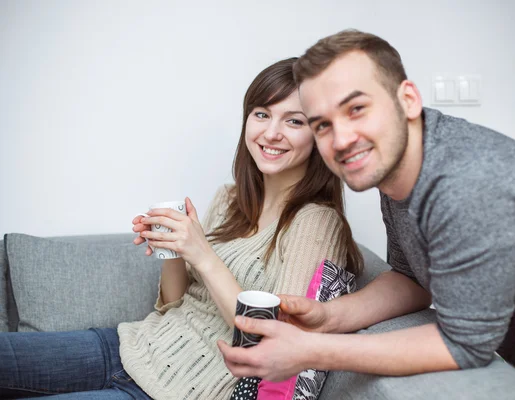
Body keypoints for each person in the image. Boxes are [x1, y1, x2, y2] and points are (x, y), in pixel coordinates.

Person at [218, 30, 515, 400]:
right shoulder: (395, 168)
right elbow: (411, 280)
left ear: (408, 100)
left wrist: (312, 349)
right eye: (323, 125)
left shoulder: (467, 180)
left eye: (357, 109)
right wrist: (326, 315)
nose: (342, 138)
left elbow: (464, 345)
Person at [0, 57, 363, 400]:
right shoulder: (231, 199)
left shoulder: (316, 221)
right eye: (262, 114)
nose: (271, 132)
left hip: (177, 391)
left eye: (294, 121)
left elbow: (275, 345)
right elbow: (175, 303)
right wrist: (174, 248)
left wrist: (202, 254)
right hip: (130, 346)